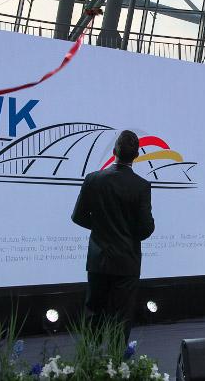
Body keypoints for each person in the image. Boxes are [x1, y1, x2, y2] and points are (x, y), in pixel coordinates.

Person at [71, 130, 155, 344]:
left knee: (94, 316)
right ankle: (116, 362)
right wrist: (126, 232)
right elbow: (146, 229)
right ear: (136, 156)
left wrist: (101, 227)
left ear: (114, 151)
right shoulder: (141, 186)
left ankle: (91, 360)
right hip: (126, 261)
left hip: (98, 259)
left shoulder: (93, 179)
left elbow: (78, 217)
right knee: (121, 319)